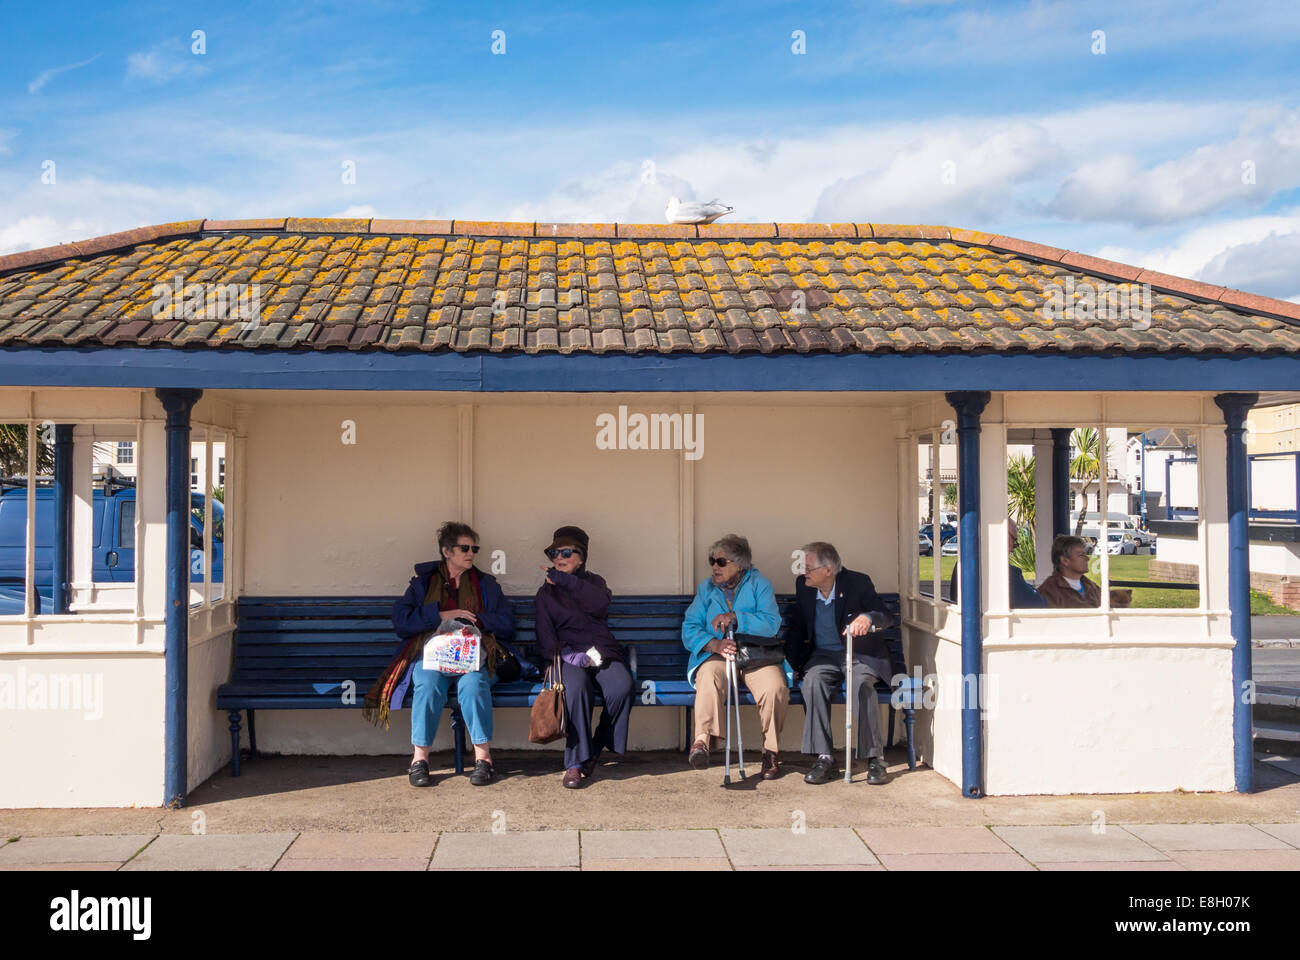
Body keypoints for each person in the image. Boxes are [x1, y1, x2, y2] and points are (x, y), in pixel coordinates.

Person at [365, 521, 515, 788]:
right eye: (464, 548)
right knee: (427, 682)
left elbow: (507, 623)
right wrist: (440, 615)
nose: (471, 553)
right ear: (447, 551)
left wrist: (477, 621)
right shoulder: (423, 584)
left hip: (474, 657)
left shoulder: (485, 585)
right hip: (435, 657)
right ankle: (419, 760)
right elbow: (402, 622)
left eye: (474, 548)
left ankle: (484, 759)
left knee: (473, 684)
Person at [785, 541, 896, 786]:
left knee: (860, 685)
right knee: (812, 682)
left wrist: (867, 618)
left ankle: (874, 758)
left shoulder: (858, 583)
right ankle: (824, 758)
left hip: (858, 654)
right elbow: (799, 627)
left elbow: (885, 616)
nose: (804, 572)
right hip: (823, 655)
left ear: (828, 570)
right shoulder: (804, 588)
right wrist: (791, 662)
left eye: (809, 567)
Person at [534, 525, 634, 789]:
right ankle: (574, 764)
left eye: (566, 552)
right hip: (567, 655)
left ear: (581, 557)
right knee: (576, 689)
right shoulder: (546, 593)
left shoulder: (594, 583)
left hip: (601, 651)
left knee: (621, 687)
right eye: (554, 552)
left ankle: (595, 746)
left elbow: (599, 604)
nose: (559, 557)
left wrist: (566, 580)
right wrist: (566, 655)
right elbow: (544, 634)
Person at [681, 534, 787, 779]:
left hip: (755, 654)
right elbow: (690, 627)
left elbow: (772, 624)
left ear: (739, 565)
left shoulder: (760, 584)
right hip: (718, 655)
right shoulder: (706, 589)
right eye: (712, 561)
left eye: (721, 561)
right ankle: (701, 743)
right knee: (708, 677)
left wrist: (738, 617)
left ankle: (770, 752)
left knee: (775, 687)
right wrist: (713, 644)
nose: (714, 567)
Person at [948, 518, 1047, 607]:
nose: (1013, 549)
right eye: (1014, 541)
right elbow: (1037, 603)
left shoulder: (961, 564)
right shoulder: (1005, 572)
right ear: (1004, 536)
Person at [1036, 534, 1134, 608]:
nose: (1087, 558)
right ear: (1065, 560)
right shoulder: (1049, 592)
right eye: (1081, 555)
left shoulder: (1091, 586)